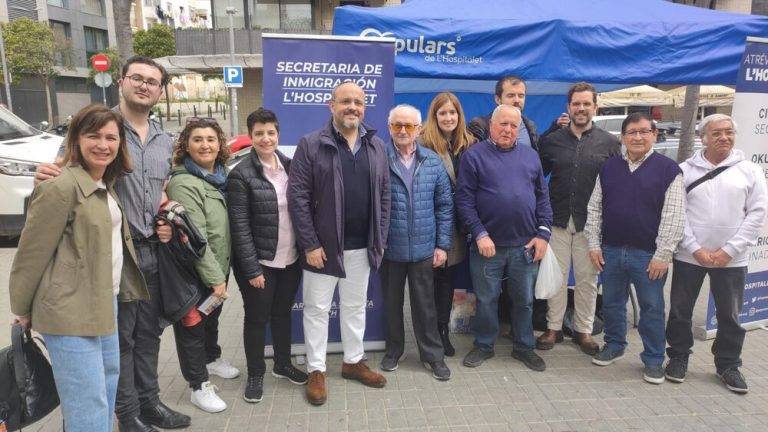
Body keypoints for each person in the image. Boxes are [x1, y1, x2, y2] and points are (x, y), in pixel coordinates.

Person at [35, 56, 191, 432]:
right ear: (121, 81)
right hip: (112, 257)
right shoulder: (100, 128)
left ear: (160, 91)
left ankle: (150, 403)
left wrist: (166, 214)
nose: (144, 85)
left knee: (149, 335)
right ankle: (127, 413)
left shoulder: (162, 137)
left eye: (152, 81)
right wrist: (45, 177)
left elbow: (159, 189)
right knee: (117, 342)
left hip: (153, 250)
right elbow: (63, 174)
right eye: (136, 78)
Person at [10, 104, 147, 432]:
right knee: (88, 403)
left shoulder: (103, 182)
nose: (103, 144)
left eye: (111, 137)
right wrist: (21, 308)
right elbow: (31, 254)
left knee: (105, 392)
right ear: (76, 139)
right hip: (69, 311)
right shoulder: (61, 185)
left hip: (105, 304)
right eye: (93, 135)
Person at [288, 82, 390, 406]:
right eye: (345, 101)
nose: (352, 107)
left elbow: (385, 195)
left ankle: (352, 361)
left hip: (363, 246)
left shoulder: (376, 145)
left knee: (355, 306)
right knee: (317, 309)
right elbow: (298, 197)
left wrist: (381, 239)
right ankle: (316, 369)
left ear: (364, 107)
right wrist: (309, 243)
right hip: (323, 248)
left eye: (358, 102)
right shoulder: (311, 144)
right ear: (331, 105)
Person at [665, 114, 767, 393]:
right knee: (680, 310)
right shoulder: (685, 170)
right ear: (703, 138)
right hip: (690, 256)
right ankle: (678, 357)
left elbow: (757, 214)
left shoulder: (749, 170)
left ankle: (728, 364)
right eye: (717, 133)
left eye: (729, 132)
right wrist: (695, 248)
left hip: (732, 259)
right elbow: (677, 213)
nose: (724, 137)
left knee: (730, 315)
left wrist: (729, 250)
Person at [584, 112, 685, 385]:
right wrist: (594, 244)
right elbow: (594, 209)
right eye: (632, 132)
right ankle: (614, 345)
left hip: (648, 256)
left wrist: (663, 255)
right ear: (623, 137)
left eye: (643, 131)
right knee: (614, 304)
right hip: (612, 250)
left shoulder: (669, 170)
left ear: (654, 134)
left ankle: (653, 359)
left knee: (652, 307)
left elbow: (674, 216)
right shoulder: (609, 168)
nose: (637, 137)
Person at [456, 104, 553, 372]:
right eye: (503, 124)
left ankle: (524, 347)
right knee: (487, 300)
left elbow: (542, 197)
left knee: (524, 301)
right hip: (487, 245)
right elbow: (464, 201)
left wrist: (543, 234)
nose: (508, 130)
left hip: (525, 245)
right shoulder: (473, 156)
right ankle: (484, 345)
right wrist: (479, 233)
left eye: (514, 125)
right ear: (491, 126)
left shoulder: (531, 156)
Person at [227, 108, 308, 404]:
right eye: (259, 133)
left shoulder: (289, 166)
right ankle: (256, 373)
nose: (265, 138)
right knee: (257, 318)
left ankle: (283, 365)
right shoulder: (240, 175)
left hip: (290, 259)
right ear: (251, 136)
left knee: (282, 314)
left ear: (278, 134)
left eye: (270, 132)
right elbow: (240, 227)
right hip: (260, 263)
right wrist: (251, 270)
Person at [537, 82, 621, 355]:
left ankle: (584, 330)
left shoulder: (610, 143)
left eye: (586, 103)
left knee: (587, 280)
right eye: (576, 104)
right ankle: (554, 328)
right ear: (568, 107)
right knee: (556, 278)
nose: (581, 108)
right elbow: (537, 178)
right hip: (558, 220)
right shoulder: (552, 141)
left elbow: (617, 184)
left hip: (592, 225)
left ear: (595, 107)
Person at [165, 119, 236, 413]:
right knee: (192, 326)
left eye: (211, 139)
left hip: (220, 266)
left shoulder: (220, 176)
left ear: (220, 144)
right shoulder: (183, 182)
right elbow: (194, 237)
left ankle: (211, 357)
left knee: (212, 318)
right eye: (197, 139)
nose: (205, 145)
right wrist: (214, 279)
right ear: (186, 145)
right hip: (195, 272)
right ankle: (198, 385)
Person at [379, 104, 453, 380]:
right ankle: (394, 351)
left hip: (424, 248)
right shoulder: (378, 158)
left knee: (425, 306)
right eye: (397, 125)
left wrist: (442, 245)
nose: (402, 131)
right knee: (391, 304)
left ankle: (433, 356)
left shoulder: (432, 161)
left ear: (418, 129)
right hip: (390, 249)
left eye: (408, 126)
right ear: (390, 128)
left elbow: (445, 205)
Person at [420, 92, 475, 356]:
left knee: (447, 281)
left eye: (452, 112)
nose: (448, 117)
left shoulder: (469, 143)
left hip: (458, 225)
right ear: (434, 116)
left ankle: (442, 329)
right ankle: (428, 333)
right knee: (429, 281)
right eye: (443, 112)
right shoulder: (423, 143)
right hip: (430, 223)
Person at [467, 76, 538, 150]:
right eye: (511, 95)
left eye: (521, 96)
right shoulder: (480, 125)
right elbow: (474, 157)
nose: (517, 100)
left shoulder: (530, 126)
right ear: (497, 99)